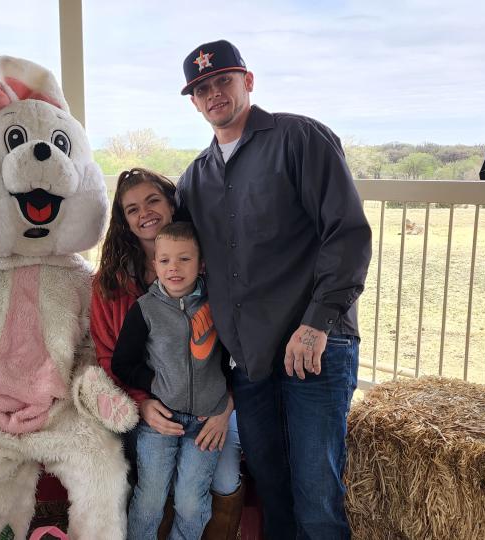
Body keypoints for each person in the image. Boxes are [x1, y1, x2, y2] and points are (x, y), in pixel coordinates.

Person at [176, 40, 372, 539]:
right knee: (274, 496)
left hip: (314, 347)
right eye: (202, 88)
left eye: (223, 79)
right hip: (251, 361)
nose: (214, 93)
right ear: (194, 102)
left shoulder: (299, 138)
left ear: (248, 81)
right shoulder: (194, 178)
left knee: (316, 499)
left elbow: (346, 233)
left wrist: (317, 323)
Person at [90, 168, 243, 539]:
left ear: (172, 203)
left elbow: (240, 353)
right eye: (132, 209)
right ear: (124, 222)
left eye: (153, 200)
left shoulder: (212, 279)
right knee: (149, 484)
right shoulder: (112, 284)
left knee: (219, 478)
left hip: (213, 405)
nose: (145, 212)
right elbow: (113, 359)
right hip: (148, 403)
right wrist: (142, 402)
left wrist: (225, 409)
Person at [111, 222, 229, 540]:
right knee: (149, 501)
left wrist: (226, 401)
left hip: (206, 425)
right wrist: (156, 385)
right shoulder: (145, 310)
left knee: (191, 504)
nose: (173, 268)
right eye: (165, 261)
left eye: (184, 259)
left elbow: (235, 359)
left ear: (201, 263)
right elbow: (122, 363)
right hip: (159, 422)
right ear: (155, 265)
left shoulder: (218, 306)